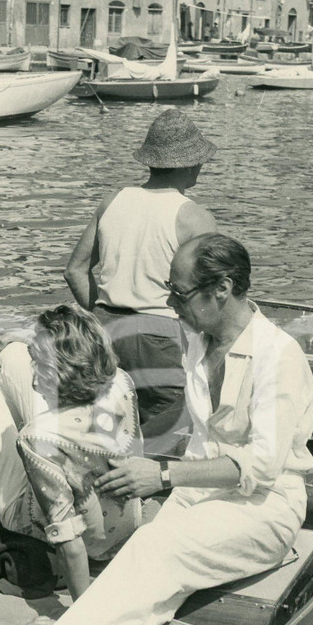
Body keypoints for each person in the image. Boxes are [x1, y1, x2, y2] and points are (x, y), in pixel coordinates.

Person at [0, 232, 313, 625]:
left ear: (221, 289)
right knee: (152, 591)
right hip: (204, 498)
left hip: (266, 508)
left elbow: (260, 468)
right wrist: (17, 341)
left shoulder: (277, 358)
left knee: (150, 556)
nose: (169, 303)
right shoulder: (199, 340)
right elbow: (94, 354)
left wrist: (165, 477)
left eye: (178, 293)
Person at [0, 304, 145, 608]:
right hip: (124, 527)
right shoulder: (122, 382)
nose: (32, 374)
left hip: (63, 534)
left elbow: (70, 542)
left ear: (53, 372)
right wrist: (26, 337)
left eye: (37, 364)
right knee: (10, 349)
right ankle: (12, 380)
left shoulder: (36, 439)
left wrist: (81, 616)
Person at [64, 108, 217, 451]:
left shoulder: (113, 201)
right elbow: (211, 298)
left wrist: (103, 314)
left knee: (111, 426)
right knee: (175, 426)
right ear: (190, 164)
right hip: (161, 336)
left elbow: (75, 270)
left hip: (105, 331)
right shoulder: (194, 217)